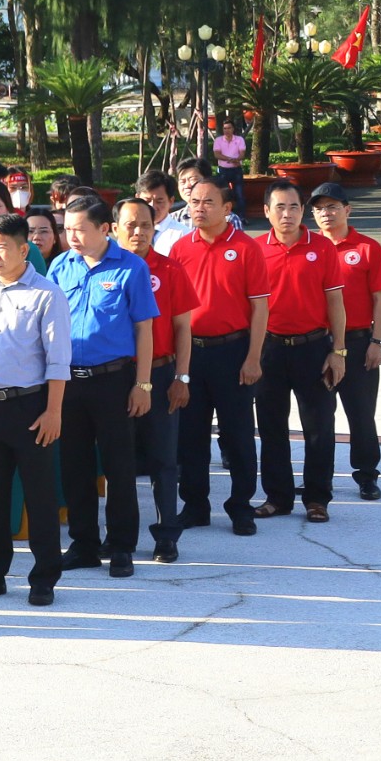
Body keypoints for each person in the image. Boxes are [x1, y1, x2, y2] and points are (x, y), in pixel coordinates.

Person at [48, 195, 157, 577]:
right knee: (74, 465)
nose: (71, 236)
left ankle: (122, 544)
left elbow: (145, 329)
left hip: (113, 380)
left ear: (104, 229)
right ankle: (83, 543)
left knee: (119, 466)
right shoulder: (60, 266)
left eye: (80, 229)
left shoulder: (132, 267)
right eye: (66, 229)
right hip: (69, 381)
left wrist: (143, 384)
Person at [0, 215, 69, 604]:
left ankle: (44, 577)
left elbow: (58, 361)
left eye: (3, 247)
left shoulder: (47, 294)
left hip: (31, 407)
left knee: (40, 496)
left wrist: (54, 411)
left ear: (24, 250)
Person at [166, 177, 268, 536]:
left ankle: (241, 507)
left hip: (233, 351)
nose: (199, 208)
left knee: (237, 434)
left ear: (227, 208)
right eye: (194, 202)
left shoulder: (245, 247)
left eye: (208, 202)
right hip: (192, 353)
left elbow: (260, 307)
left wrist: (253, 357)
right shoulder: (180, 249)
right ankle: (195, 505)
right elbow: (175, 310)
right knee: (190, 436)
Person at [251, 178, 346, 523]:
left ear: (302, 210)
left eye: (294, 207)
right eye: (280, 207)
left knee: (319, 427)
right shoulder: (255, 250)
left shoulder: (322, 248)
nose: (287, 214)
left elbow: (336, 302)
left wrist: (339, 350)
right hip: (269, 350)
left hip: (313, 348)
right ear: (266, 212)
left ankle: (317, 498)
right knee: (271, 426)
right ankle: (278, 497)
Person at [114, 197, 195, 562]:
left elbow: (183, 329)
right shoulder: (105, 268)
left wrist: (182, 376)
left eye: (145, 225)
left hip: (161, 374)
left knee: (164, 459)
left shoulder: (171, 270)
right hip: (115, 375)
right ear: (114, 228)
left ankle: (167, 536)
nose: (138, 232)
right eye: (130, 225)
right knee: (120, 462)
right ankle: (120, 538)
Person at [309, 182, 381, 503]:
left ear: (347, 210)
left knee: (360, 413)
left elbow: (380, 300)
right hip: (317, 343)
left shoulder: (368, 248)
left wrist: (377, 341)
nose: (326, 214)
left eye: (332, 207)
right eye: (318, 209)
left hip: (358, 344)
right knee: (318, 415)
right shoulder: (310, 249)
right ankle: (319, 479)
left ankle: (367, 476)